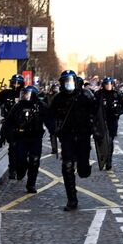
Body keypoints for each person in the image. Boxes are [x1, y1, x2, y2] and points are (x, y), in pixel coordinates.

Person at [50, 70, 97, 211]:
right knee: (67, 166)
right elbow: (50, 115)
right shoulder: (58, 98)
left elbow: (96, 113)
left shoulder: (86, 95)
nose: (68, 83)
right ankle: (72, 199)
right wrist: (54, 128)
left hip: (83, 135)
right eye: (65, 81)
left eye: (70, 80)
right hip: (67, 136)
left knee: (83, 171)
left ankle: (84, 167)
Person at [0, 86, 53, 193]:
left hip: (35, 138)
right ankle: (21, 170)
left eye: (27, 94)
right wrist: (3, 136)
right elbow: (8, 122)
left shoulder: (41, 106)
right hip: (21, 137)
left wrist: (55, 131)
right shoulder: (18, 106)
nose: (24, 97)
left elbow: (49, 120)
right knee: (21, 159)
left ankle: (31, 184)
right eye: (23, 94)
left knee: (34, 160)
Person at [0, 74, 24, 179]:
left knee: (22, 149)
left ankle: (21, 168)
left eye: (18, 83)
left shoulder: (26, 94)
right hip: (10, 123)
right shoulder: (5, 93)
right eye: (14, 82)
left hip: (24, 124)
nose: (16, 85)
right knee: (13, 147)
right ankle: (12, 169)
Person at [95, 77, 123, 170]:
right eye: (106, 84)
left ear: (113, 85)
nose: (108, 86)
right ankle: (103, 156)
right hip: (101, 120)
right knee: (102, 140)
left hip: (112, 120)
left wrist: (118, 112)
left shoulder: (117, 94)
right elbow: (93, 106)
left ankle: (108, 160)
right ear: (103, 85)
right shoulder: (98, 94)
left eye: (110, 84)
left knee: (109, 140)